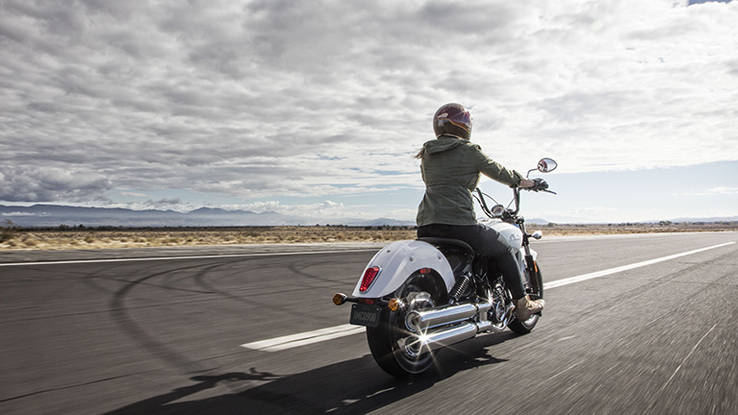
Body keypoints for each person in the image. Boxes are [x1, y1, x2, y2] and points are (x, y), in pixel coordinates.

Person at [415, 103, 545, 321]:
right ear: (464, 127)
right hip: (459, 224)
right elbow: (499, 172)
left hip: (426, 224)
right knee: (504, 249)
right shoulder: (468, 151)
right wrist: (528, 183)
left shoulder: (427, 153)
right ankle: (522, 305)